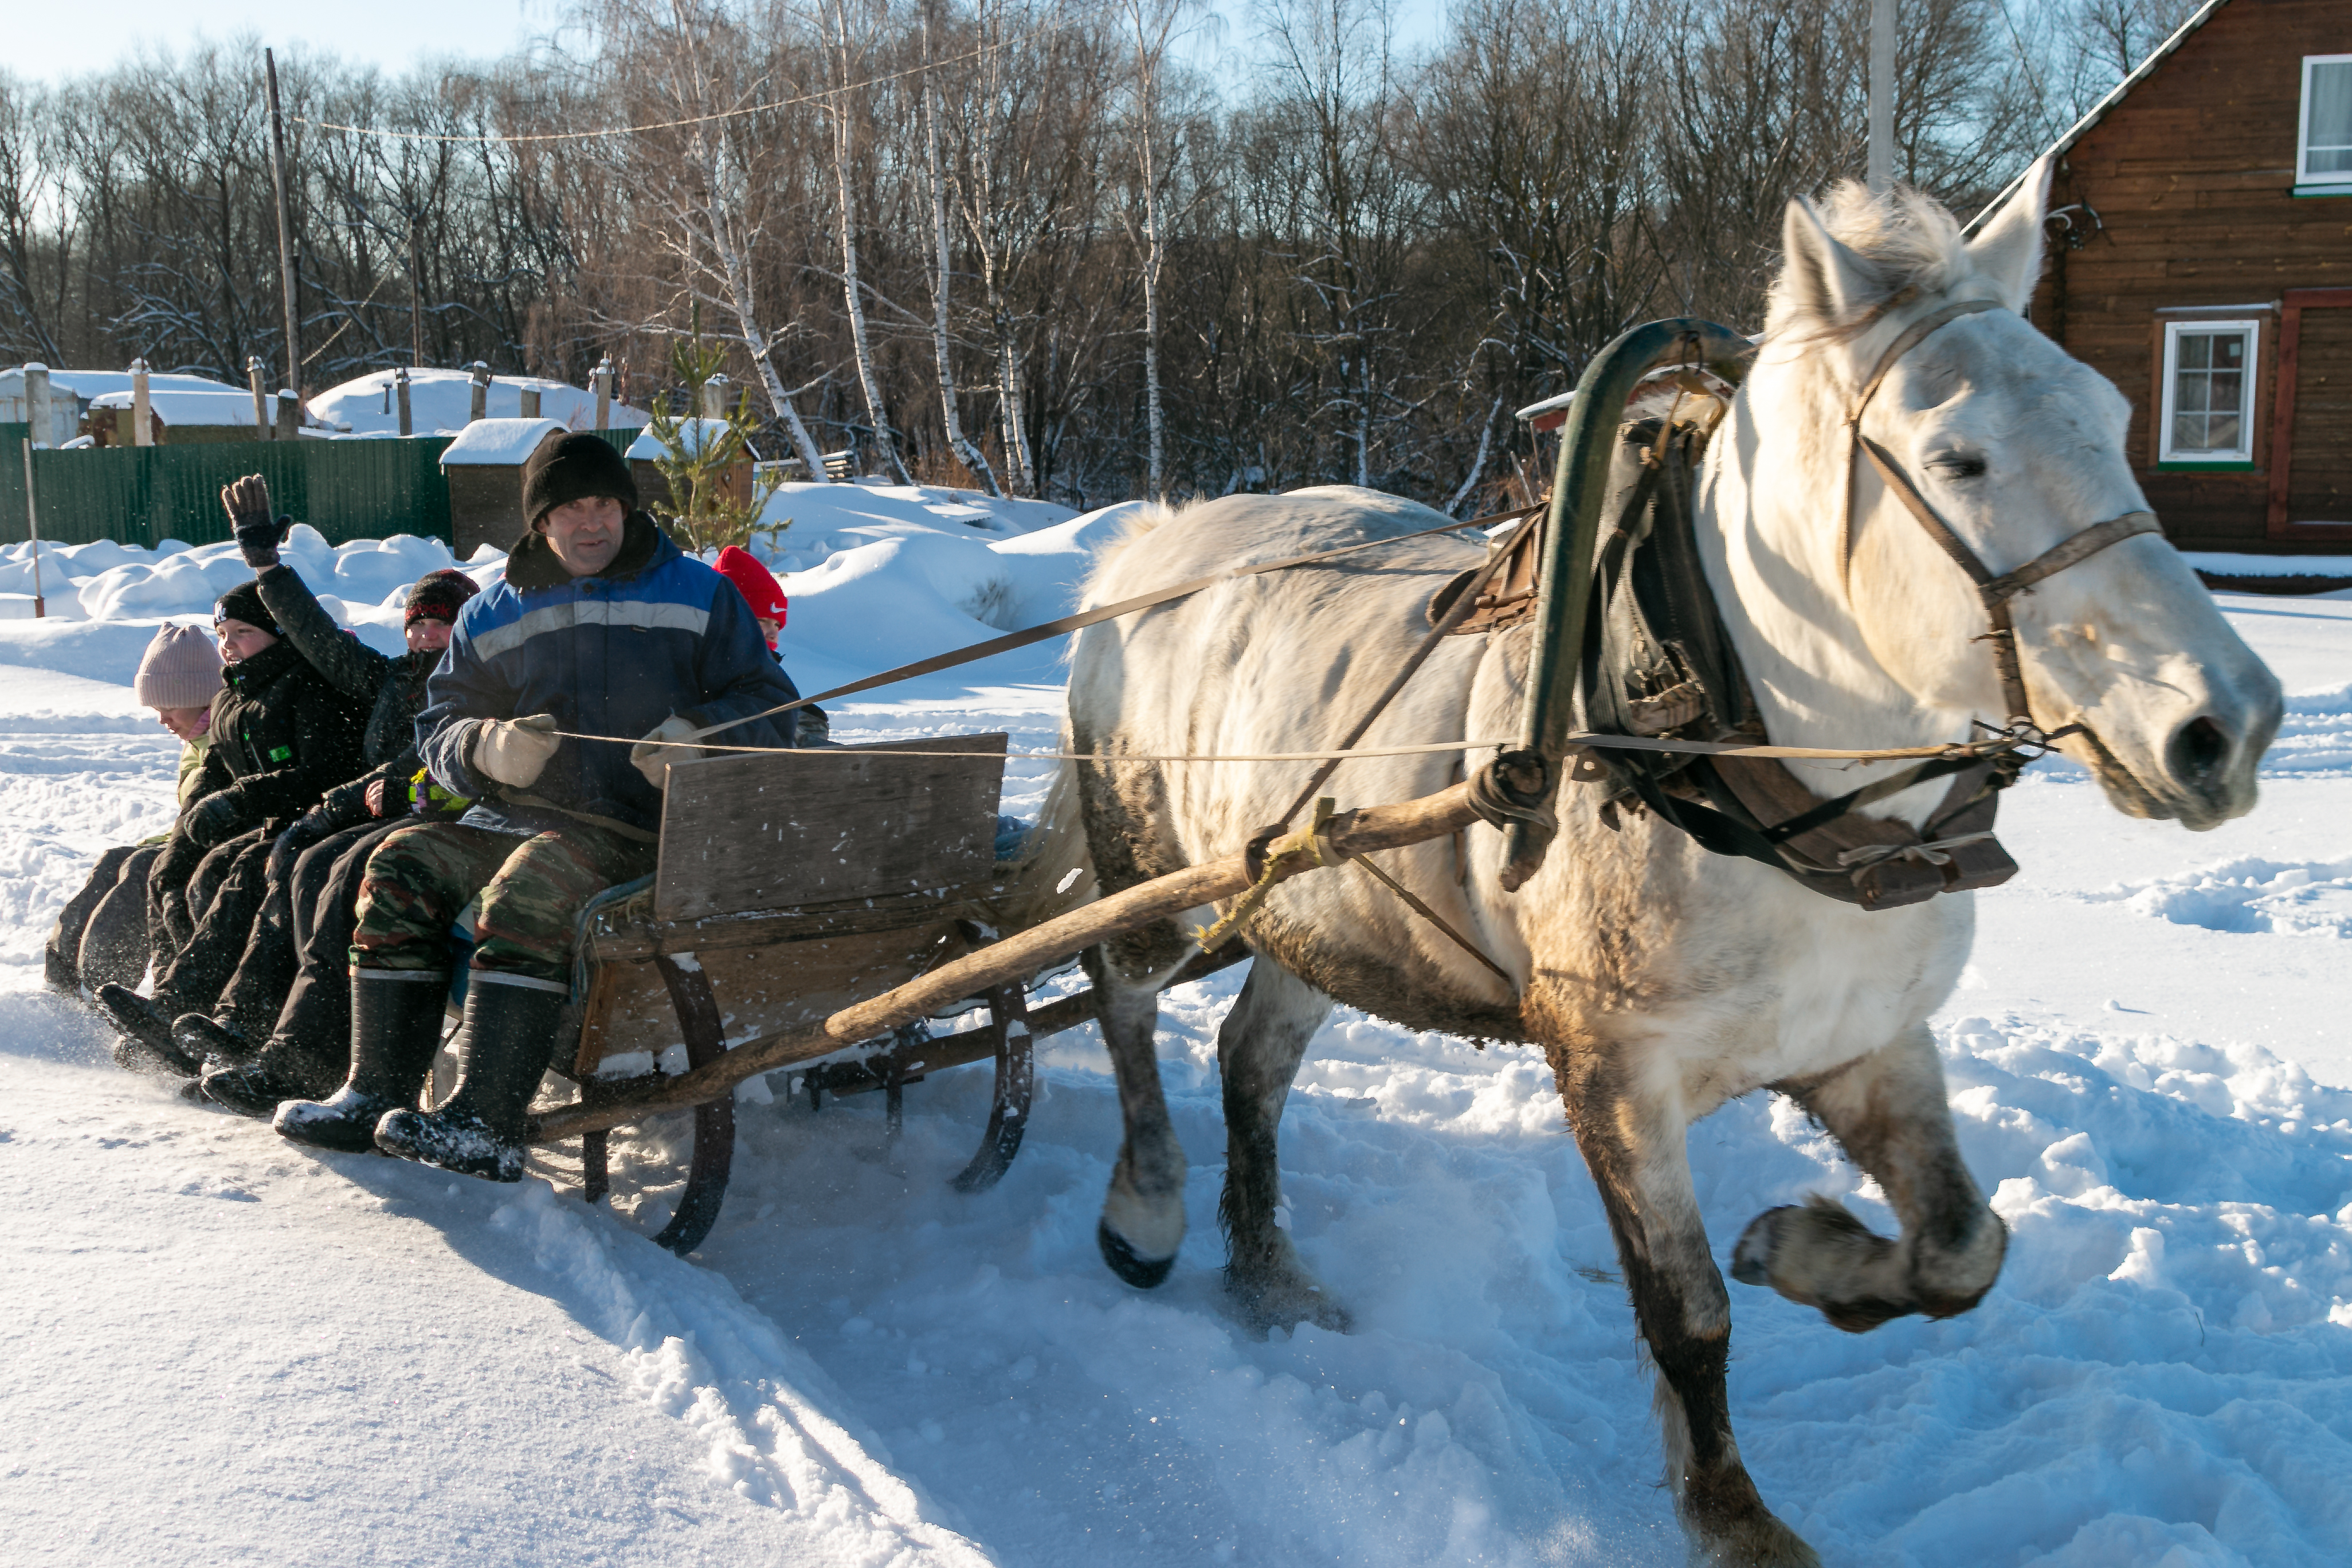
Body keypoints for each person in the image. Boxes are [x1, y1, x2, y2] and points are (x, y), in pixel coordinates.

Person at [275, 433, 799, 1181]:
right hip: (514, 818)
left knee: (532, 883)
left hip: (641, 831)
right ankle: (372, 1095)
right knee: (400, 863)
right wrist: (486, 749)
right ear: (540, 522)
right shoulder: (493, 612)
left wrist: (704, 741)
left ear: (626, 508)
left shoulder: (697, 593)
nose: (593, 523)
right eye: (571, 508)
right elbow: (439, 727)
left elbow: (773, 705)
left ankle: (487, 1119)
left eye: (606, 505)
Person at [181, 505, 483, 1115]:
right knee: (291, 853)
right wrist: (268, 569)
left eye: (441, 625)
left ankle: (307, 1058)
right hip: (378, 811)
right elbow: (317, 638)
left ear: (469, 631)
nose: (425, 636)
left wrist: (347, 803)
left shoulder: (475, 687)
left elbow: (430, 767)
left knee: (327, 870)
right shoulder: (393, 681)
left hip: (437, 823)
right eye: (417, 624)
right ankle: (255, 1029)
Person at [96, 579, 373, 1073]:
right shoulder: (232, 693)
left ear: (278, 632)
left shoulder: (309, 683)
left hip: (324, 820)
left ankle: (241, 1021)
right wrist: (186, 835)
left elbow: (323, 770)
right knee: (175, 872)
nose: (227, 644)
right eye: (222, 632)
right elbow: (217, 771)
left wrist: (239, 801)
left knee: (243, 874)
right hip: (274, 821)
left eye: (242, 631)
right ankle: (176, 1009)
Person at [45, 626, 222, 995]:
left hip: (219, 846)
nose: (163, 720)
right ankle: (62, 984)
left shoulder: (223, 739)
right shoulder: (195, 738)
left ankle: (102, 991)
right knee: (116, 859)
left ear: (199, 697)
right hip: (193, 837)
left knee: (142, 868)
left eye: (168, 707)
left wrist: (166, 847)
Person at [712, 544, 831, 744]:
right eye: (762, 621)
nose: (773, 633)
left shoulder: (761, 670)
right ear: (732, 618)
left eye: (777, 624)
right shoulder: (716, 670)